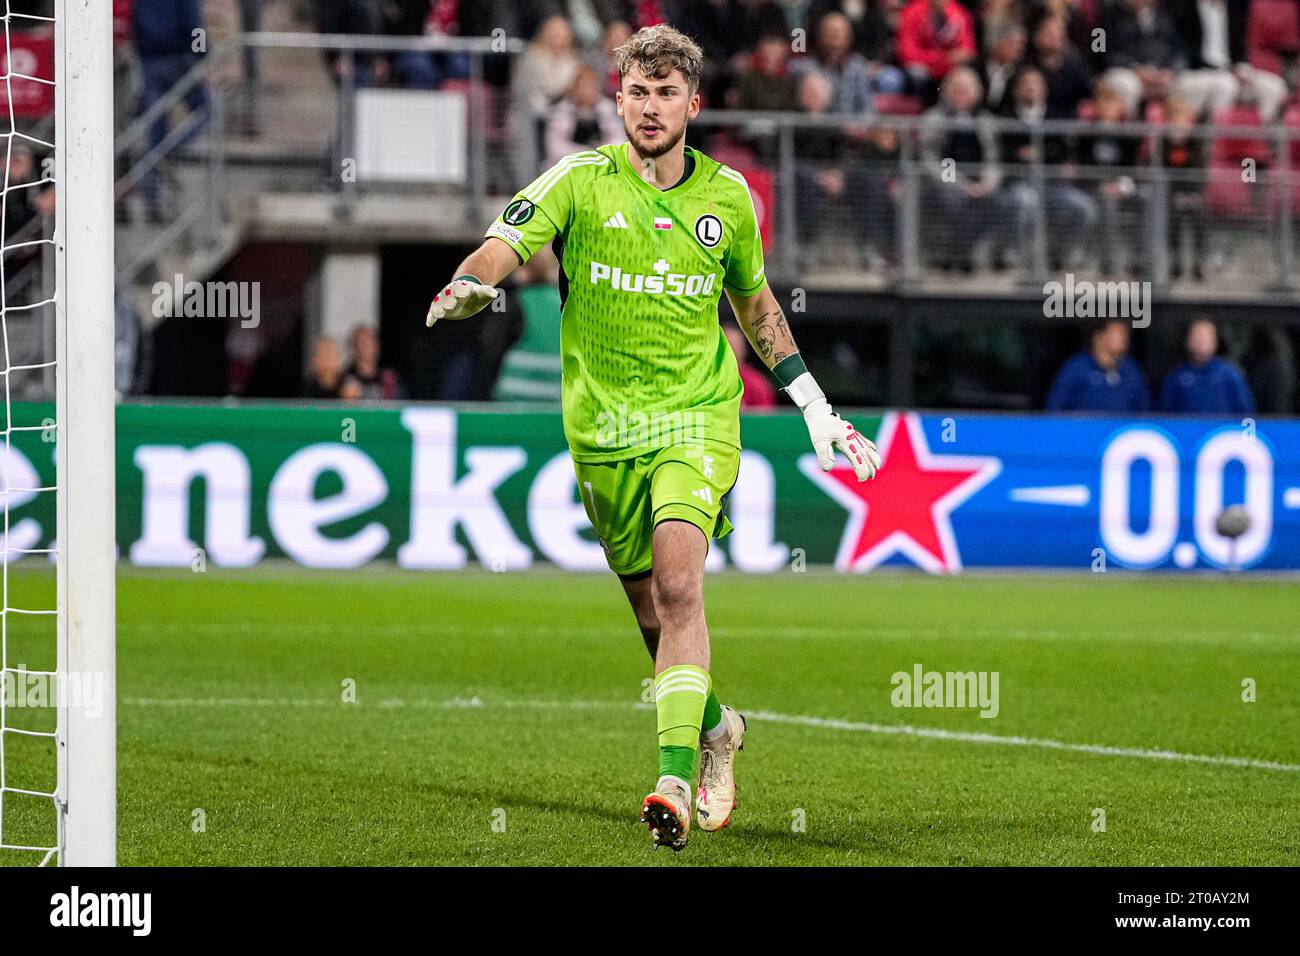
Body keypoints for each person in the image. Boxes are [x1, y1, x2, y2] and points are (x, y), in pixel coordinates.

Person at [424, 24, 880, 852]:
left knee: (679, 584)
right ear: (619, 95)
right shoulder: (581, 180)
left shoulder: (729, 199)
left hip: (696, 417)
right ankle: (717, 729)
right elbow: (507, 240)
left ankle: (673, 774)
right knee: (651, 613)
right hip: (600, 430)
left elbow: (757, 306)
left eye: (667, 93)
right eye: (637, 91)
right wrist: (468, 281)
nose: (649, 107)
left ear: (693, 105)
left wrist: (813, 402)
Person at [1045, 319, 1151, 412]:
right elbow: (1055, 404)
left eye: (1125, 335)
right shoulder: (1077, 367)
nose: (1124, 340)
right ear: (1099, 337)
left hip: (1122, 432)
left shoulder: (1131, 369)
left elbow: (1145, 406)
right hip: (1084, 431)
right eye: (1117, 335)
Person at [1159, 318, 1254, 413]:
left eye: (1207, 336)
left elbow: (1246, 412)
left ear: (1215, 341)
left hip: (1223, 427)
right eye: (1197, 336)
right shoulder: (1176, 377)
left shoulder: (1230, 374)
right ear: (1187, 341)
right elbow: (1162, 414)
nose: (1202, 341)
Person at [345, 325, 406, 400]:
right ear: (353, 347)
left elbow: (402, 405)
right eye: (361, 343)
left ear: (376, 346)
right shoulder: (345, 377)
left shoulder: (390, 378)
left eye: (369, 343)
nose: (365, 348)